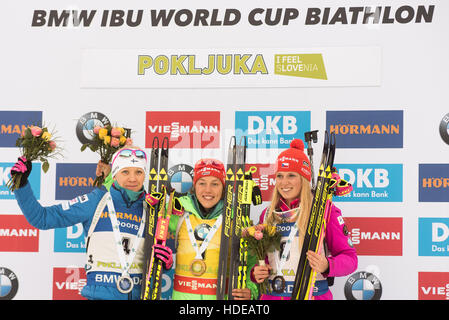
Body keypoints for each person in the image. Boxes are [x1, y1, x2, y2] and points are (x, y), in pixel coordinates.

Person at [11, 146, 172, 300]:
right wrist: (21, 183)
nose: (132, 178)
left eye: (138, 172)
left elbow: (159, 252)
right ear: (114, 174)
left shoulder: (152, 209)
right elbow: (42, 218)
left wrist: (164, 261)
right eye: (125, 172)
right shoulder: (96, 200)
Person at [251, 139, 357, 300]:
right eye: (279, 176)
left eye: (291, 176)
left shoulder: (325, 211)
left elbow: (349, 258)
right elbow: (265, 259)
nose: (284, 182)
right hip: (272, 295)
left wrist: (327, 265)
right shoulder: (267, 214)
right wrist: (257, 272)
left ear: (304, 178)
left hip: (312, 295)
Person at [168, 158, 258, 300]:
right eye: (202, 183)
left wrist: (250, 290)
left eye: (215, 184)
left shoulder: (236, 220)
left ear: (224, 188)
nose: (207, 190)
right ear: (194, 186)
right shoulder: (178, 214)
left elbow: (251, 263)